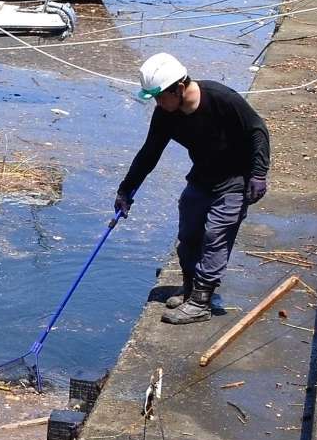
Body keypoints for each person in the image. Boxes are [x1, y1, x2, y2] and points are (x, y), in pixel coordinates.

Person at [114, 53, 270, 325]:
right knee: (189, 234)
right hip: (202, 177)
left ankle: (201, 302)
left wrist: (258, 173)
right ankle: (189, 288)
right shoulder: (166, 114)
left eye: (162, 96)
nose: (159, 103)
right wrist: (126, 189)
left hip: (235, 179)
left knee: (215, 236)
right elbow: (150, 152)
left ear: (180, 87)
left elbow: (257, 130)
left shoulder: (221, 98)